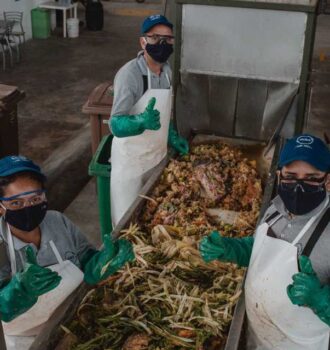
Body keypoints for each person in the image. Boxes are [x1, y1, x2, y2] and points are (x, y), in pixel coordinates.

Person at [199, 134, 330, 350]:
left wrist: (321, 300)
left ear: (327, 179)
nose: (299, 186)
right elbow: (263, 251)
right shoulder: (275, 208)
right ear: (279, 175)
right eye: (291, 176)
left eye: (311, 177)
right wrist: (231, 249)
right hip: (260, 336)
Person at [0, 155, 134, 350]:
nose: (28, 208)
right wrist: (19, 292)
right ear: (1, 207)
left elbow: (85, 258)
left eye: (35, 199)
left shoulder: (57, 222)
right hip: (26, 341)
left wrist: (100, 264)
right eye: (16, 203)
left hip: (74, 320)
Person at [109, 14, 189, 226]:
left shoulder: (168, 72)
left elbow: (163, 114)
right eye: (155, 38)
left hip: (157, 159)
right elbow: (115, 124)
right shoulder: (130, 75)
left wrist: (171, 136)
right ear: (143, 41)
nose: (162, 43)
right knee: (128, 226)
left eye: (168, 38)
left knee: (153, 221)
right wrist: (140, 122)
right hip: (131, 165)